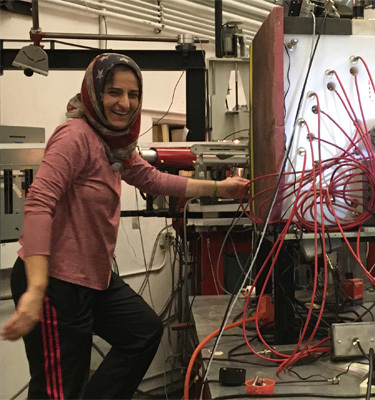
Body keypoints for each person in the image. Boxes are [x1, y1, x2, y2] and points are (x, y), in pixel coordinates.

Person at [1, 53, 249, 399]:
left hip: (92, 279)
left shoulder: (115, 145)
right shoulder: (76, 137)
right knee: (59, 390)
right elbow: (39, 202)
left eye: (133, 95)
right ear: (94, 92)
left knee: (142, 332)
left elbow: (151, 179)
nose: (125, 103)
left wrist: (220, 189)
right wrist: (36, 289)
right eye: (114, 92)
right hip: (56, 282)